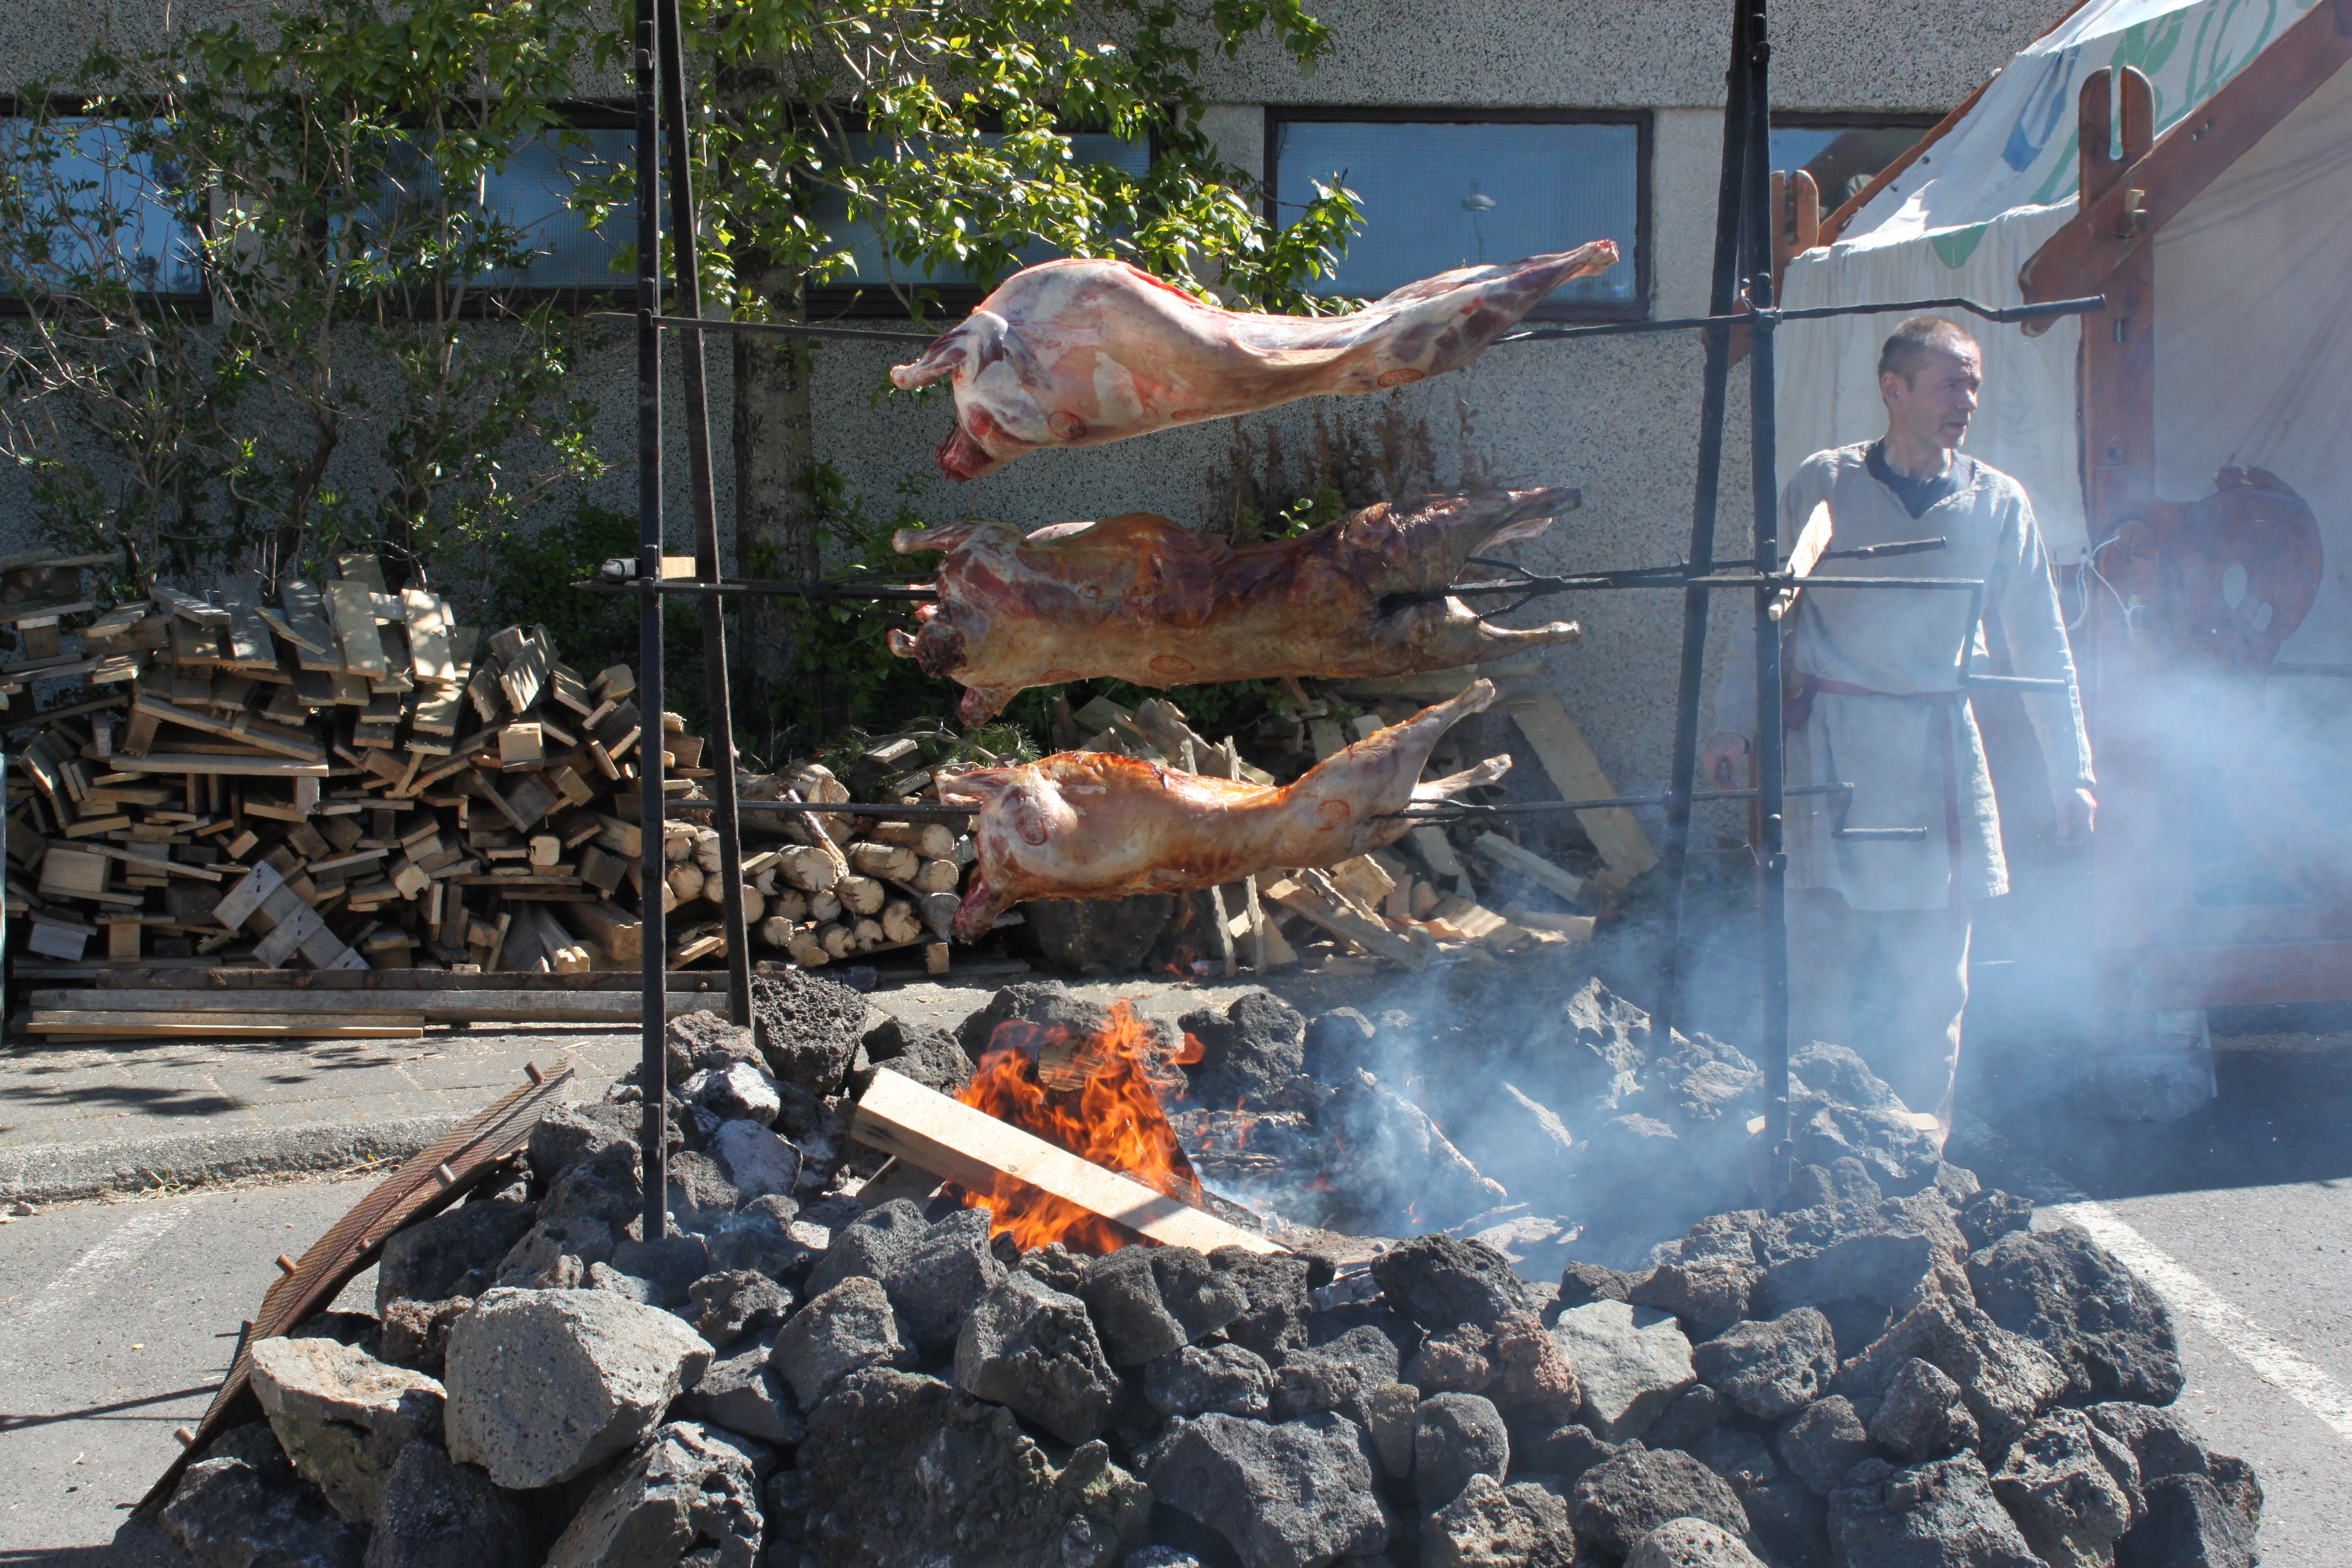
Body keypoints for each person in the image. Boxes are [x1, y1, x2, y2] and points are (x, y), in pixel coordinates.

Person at [1701, 316, 2096, 1142]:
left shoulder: (1998, 503)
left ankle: (1922, 1150)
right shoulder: (1825, 485)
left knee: (1934, 986)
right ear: (1895, 390)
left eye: (1975, 383)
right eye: (1951, 382)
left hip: (1937, 756)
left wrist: (2075, 772)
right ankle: (1812, 1142)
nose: (1968, 400)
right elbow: (1765, 614)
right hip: (1830, 750)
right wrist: (1733, 725)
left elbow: (2041, 646)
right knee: (1820, 973)